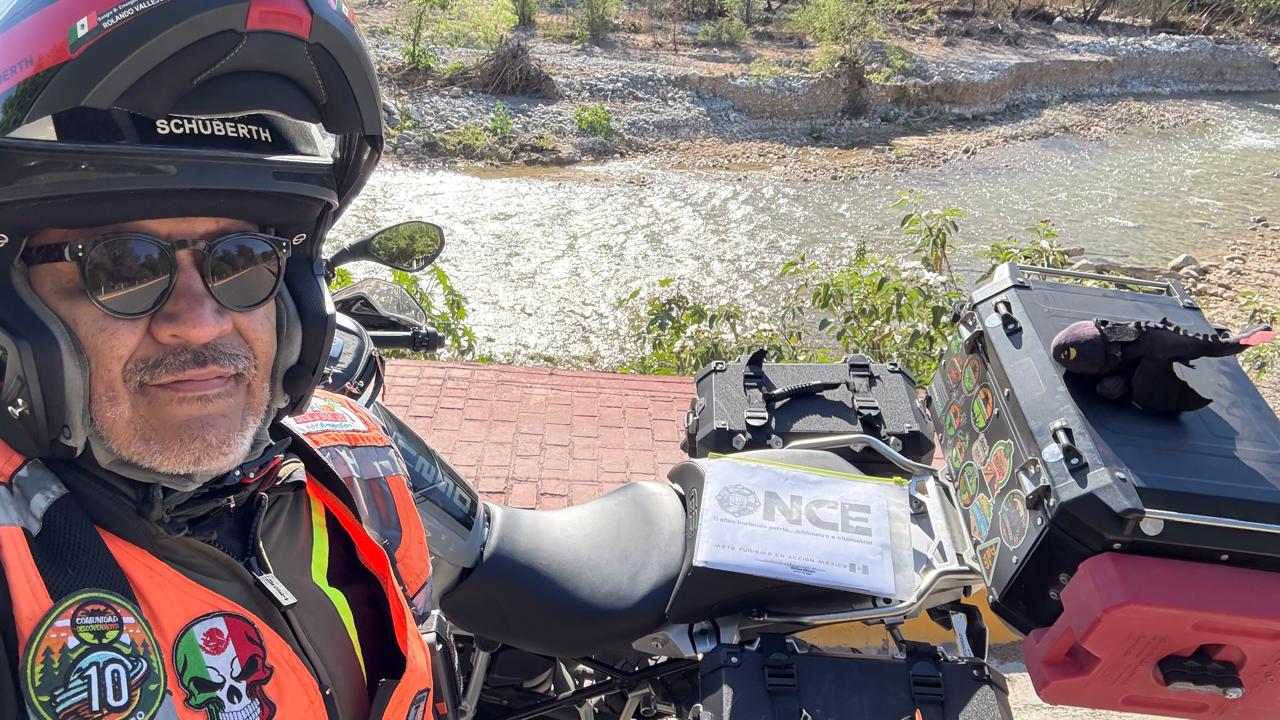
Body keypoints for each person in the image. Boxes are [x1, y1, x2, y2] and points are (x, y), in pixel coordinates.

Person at [0, 1, 437, 718]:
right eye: (123, 267)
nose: (199, 322)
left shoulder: (356, 460)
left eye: (242, 260)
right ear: (18, 311)